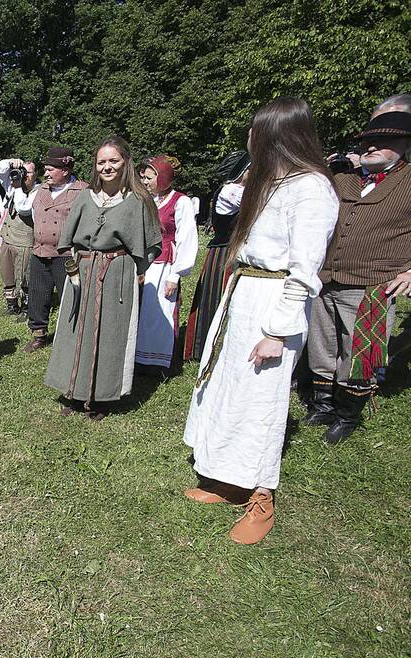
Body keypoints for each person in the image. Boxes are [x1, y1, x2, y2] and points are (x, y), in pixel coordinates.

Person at [183, 97, 339, 544]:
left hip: (274, 303)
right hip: (245, 293)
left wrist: (278, 331)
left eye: (255, 131)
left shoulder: (311, 189)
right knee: (229, 386)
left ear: (276, 135)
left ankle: (261, 495)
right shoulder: (270, 182)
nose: (248, 139)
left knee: (263, 398)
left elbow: (304, 270)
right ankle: (229, 479)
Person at [302, 110, 411, 443]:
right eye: (367, 141)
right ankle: (322, 404)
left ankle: (347, 415)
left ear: (405, 145)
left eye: (384, 141)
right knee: (322, 345)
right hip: (325, 278)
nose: (372, 146)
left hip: (373, 282)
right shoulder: (342, 179)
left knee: (362, 352)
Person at [43, 137, 161, 419]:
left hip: (116, 273)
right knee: (75, 330)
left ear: (125, 163)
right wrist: (73, 267)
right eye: (101, 162)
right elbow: (67, 239)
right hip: (82, 270)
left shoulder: (138, 201)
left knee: (110, 334)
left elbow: (152, 243)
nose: (107, 167)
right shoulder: (85, 196)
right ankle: (72, 390)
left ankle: (101, 398)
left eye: (113, 161)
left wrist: (135, 268)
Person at [183, 151, 250, 362]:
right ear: (242, 172)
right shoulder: (231, 191)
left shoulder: (241, 190)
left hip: (231, 251)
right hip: (225, 253)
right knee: (219, 299)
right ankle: (208, 347)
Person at [135, 155, 199, 371]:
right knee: (141, 312)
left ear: (162, 178)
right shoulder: (146, 200)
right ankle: (138, 358)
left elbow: (187, 239)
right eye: (143, 177)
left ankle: (159, 361)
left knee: (159, 312)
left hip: (165, 266)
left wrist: (175, 275)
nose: (144, 182)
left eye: (149, 178)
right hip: (144, 264)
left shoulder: (180, 201)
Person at [24, 148, 88, 353]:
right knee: (38, 294)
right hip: (39, 253)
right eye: (46, 169)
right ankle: (39, 334)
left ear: (65, 170)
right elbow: (33, 215)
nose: (47, 173)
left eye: (51, 169)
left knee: (69, 296)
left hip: (66, 256)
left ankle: (71, 336)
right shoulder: (41, 190)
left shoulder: (83, 191)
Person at [0, 158, 40, 318]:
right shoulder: (12, 186)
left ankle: (28, 307)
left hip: (25, 241)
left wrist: (20, 186)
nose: (24, 175)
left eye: (28, 172)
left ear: (36, 174)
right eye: (23, 171)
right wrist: (10, 163)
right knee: (7, 274)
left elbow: (24, 208)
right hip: (8, 238)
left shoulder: (38, 191)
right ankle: (12, 305)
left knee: (25, 277)